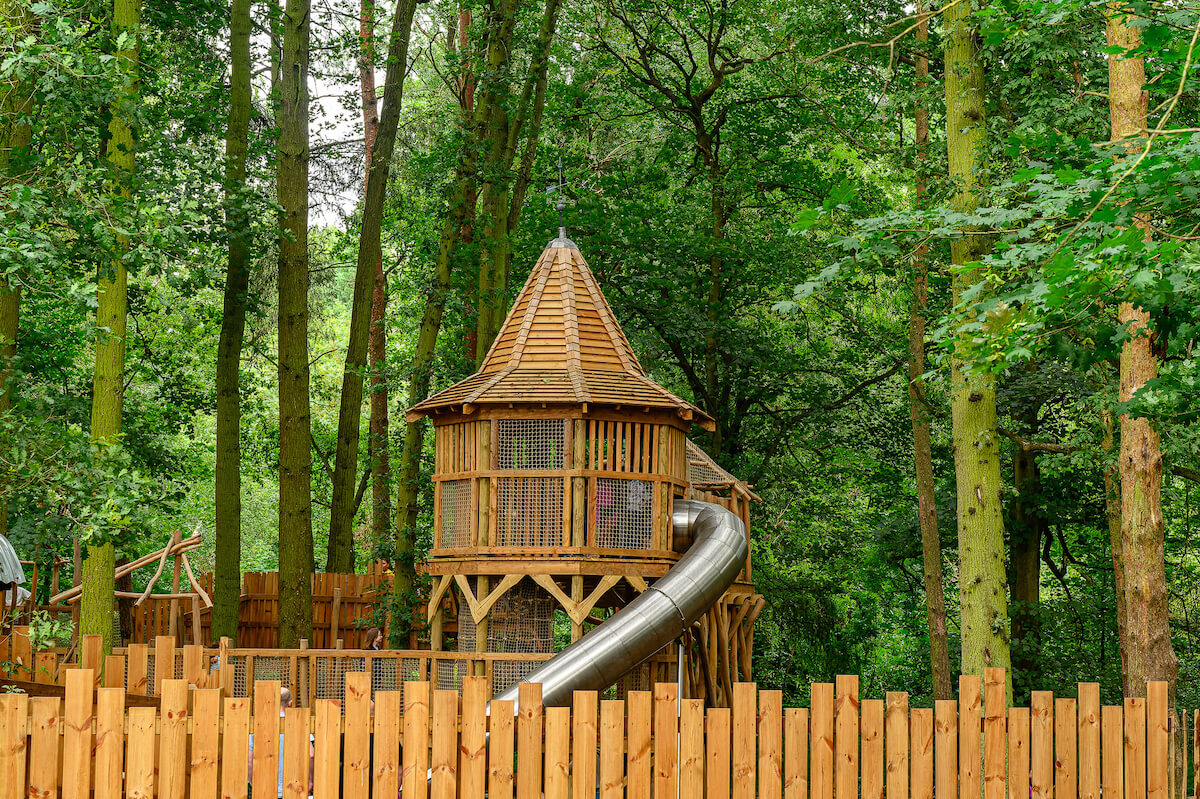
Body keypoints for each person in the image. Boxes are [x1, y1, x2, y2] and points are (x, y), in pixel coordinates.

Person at [249, 686, 313, 798]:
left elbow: (249, 761)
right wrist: (310, 780)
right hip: (295, 789)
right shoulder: (301, 725)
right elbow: (311, 755)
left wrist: (254, 784)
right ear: (290, 703)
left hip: (265, 789)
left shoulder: (257, 726)